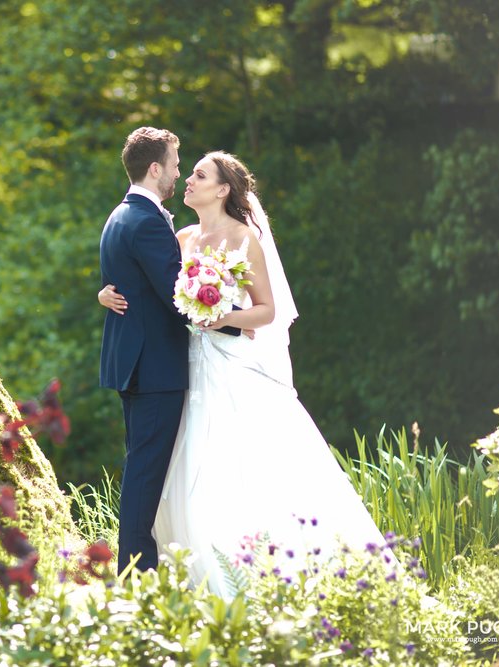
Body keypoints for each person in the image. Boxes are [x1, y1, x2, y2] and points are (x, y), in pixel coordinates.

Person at [99, 151, 388, 596]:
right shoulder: (183, 237)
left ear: (223, 190)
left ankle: (260, 573)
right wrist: (106, 294)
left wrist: (223, 317)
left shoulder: (243, 239)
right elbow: (158, 288)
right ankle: (188, 578)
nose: (188, 180)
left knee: (242, 465)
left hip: (230, 363)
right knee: (186, 467)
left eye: (199, 175)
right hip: (186, 367)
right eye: (186, 171)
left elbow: (267, 311)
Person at [99, 127, 207, 574]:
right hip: (154, 369)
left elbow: (132, 284)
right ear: (156, 167)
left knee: (143, 471)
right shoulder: (144, 220)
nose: (180, 174)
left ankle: (138, 571)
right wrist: (233, 321)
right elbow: (177, 295)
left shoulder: (122, 215)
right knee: (144, 475)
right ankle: (136, 576)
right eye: (176, 165)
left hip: (138, 365)